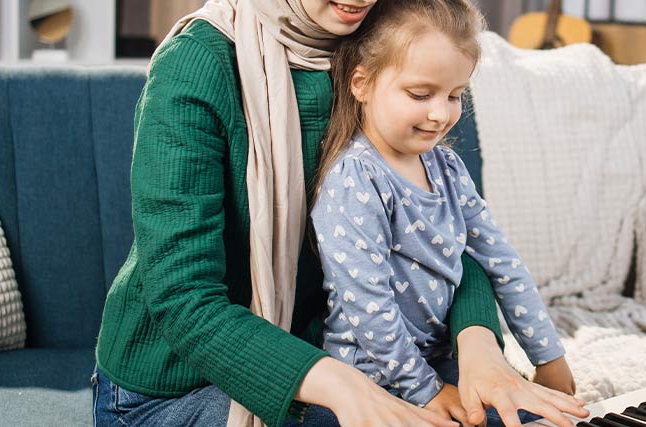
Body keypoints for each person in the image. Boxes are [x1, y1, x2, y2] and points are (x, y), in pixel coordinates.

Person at [91, 0, 588, 426]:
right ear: (360, 83)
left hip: (347, 352)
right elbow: (185, 301)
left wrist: (478, 342)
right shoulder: (198, 63)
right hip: (173, 386)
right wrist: (355, 391)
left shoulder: (390, 31)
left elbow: (445, 232)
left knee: (526, 415)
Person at [308, 0, 577, 425]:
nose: (440, 114)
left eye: (455, 96)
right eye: (420, 94)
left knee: (538, 415)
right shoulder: (354, 180)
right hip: (374, 376)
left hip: (440, 363)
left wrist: (547, 354)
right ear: (362, 83)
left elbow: (501, 260)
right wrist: (425, 390)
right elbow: (367, 309)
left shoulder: (447, 167)